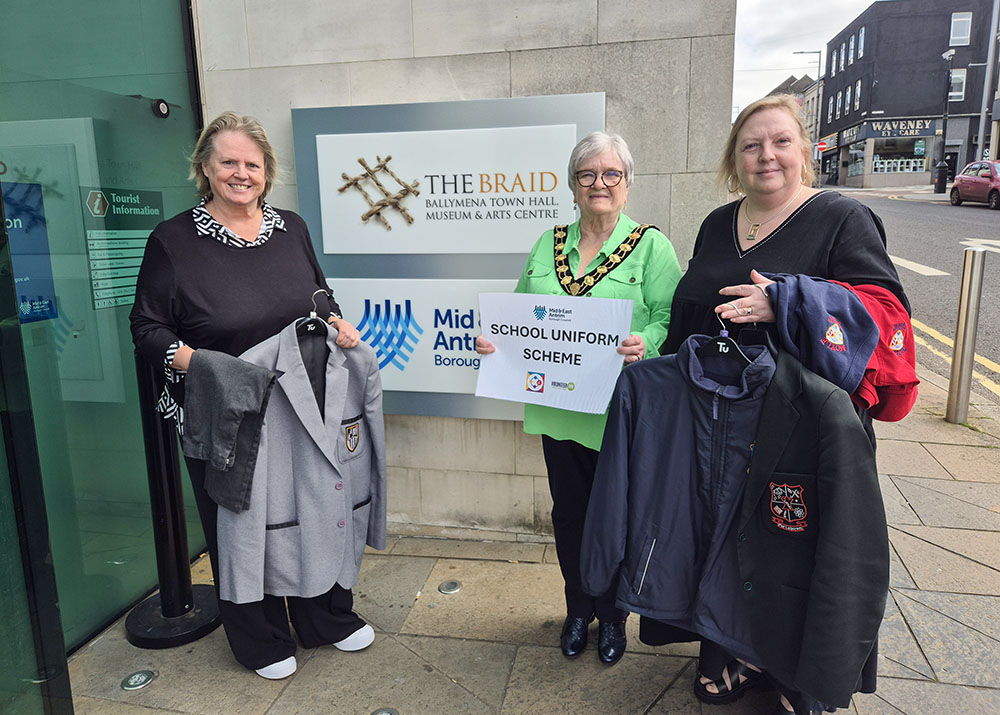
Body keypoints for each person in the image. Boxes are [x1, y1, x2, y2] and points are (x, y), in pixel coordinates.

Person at [659, 95, 909, 714]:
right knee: (726, 540)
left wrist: (790, 301)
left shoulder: (842, 218)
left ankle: (799, 677)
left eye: (779, 142)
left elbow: (887, 318)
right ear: (734, 159)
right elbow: (691, 311)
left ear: (804, 149)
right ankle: (733, 656)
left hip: (801, 430)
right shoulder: (717, 223)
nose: (765, 156)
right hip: (719, 421)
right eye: (750, 145)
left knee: (796, 549)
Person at [130, 112, 371, 680]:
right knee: (240, 523)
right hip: (225, 407)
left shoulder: (291, 226)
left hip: (302, 401)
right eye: (229, 162)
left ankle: (324, 619)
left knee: (313, 510)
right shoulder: (173, 239)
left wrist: (337, 323)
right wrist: (205, 367)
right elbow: (148, 329)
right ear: (205, 169)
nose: (242, 173)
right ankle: (259, 639)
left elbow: (320, 295)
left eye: (252, 164)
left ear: (268, 172)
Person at [476, 131, 682, 665]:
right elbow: (522, 311)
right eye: (587, 174)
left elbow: (670, 318)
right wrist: (495, 341)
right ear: (572, 185)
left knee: (615, 516)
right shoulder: (549, 243)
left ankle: (614, 616)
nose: (599, 184)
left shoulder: (652, 247)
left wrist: (649, 341)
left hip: (617, 413)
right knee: (569, 515)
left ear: (628, 184)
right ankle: (578, 610)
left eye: (611, 174)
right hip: (557, 409)